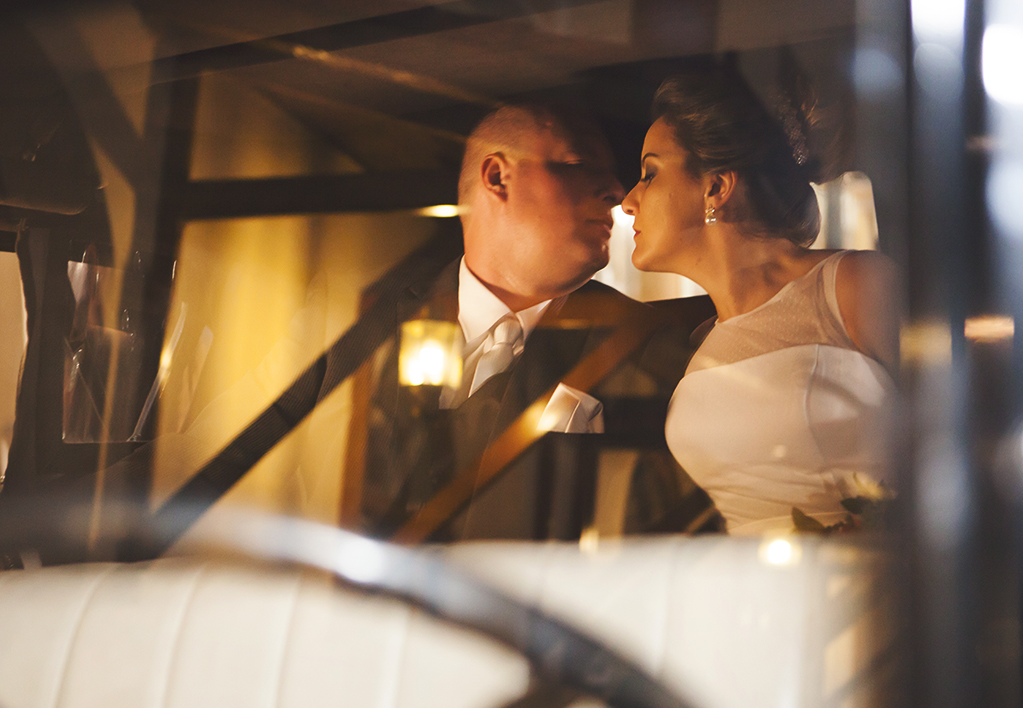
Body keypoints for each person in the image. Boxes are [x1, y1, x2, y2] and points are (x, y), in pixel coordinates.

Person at [357, 102, 693, 539]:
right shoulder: (375, 336)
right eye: (579, 163)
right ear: (498, 178)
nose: (616, 190)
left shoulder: (651, 349)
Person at [619, 72, 899, 534]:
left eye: (650, 174)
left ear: (715, 188)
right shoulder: (701, 342)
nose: (630, 201)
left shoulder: (852, 286)